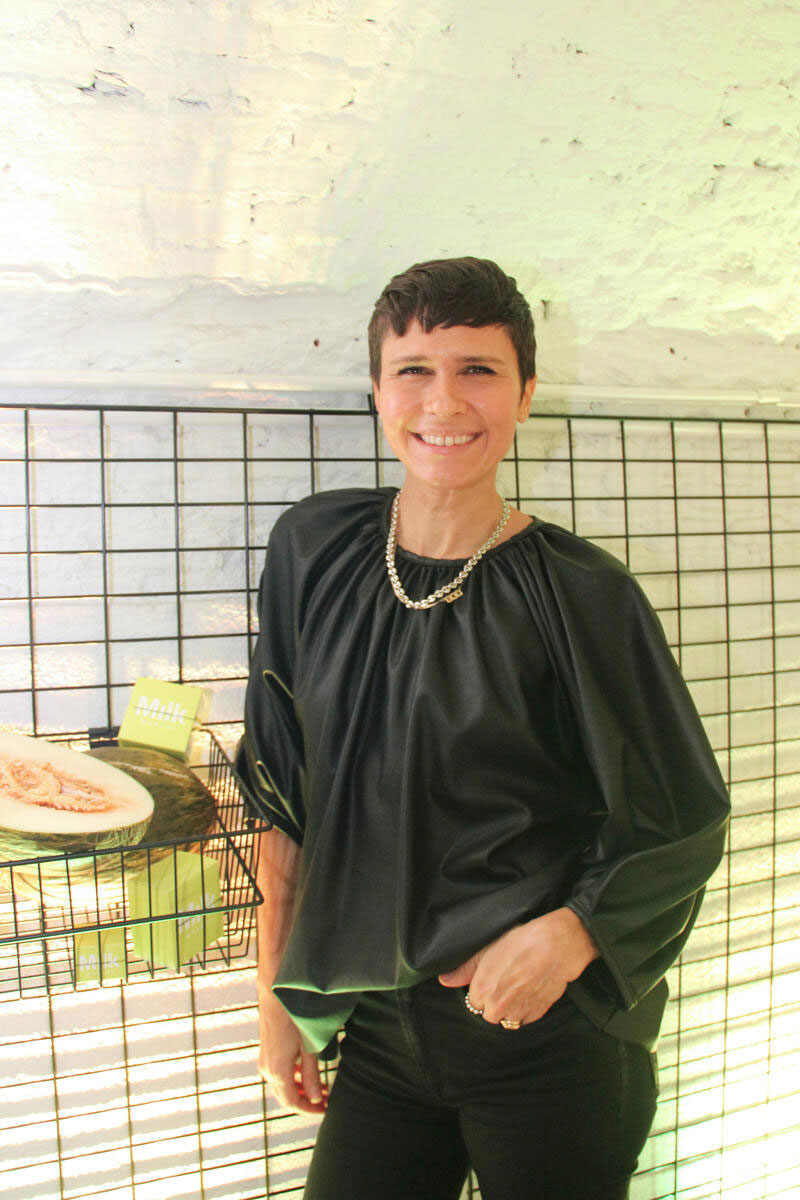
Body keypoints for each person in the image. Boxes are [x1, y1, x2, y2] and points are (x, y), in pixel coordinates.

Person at [237, 257, 730, 1199]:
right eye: (414, 370)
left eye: (478, 369)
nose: (444, 402)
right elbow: (284, 791)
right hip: (378, 1032)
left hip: (546, 1036)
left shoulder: (583, 594)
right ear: (377, 389)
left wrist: (573, 935)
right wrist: (275, 1002)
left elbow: (683, 817)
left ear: (526, 393)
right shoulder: (314, 551)